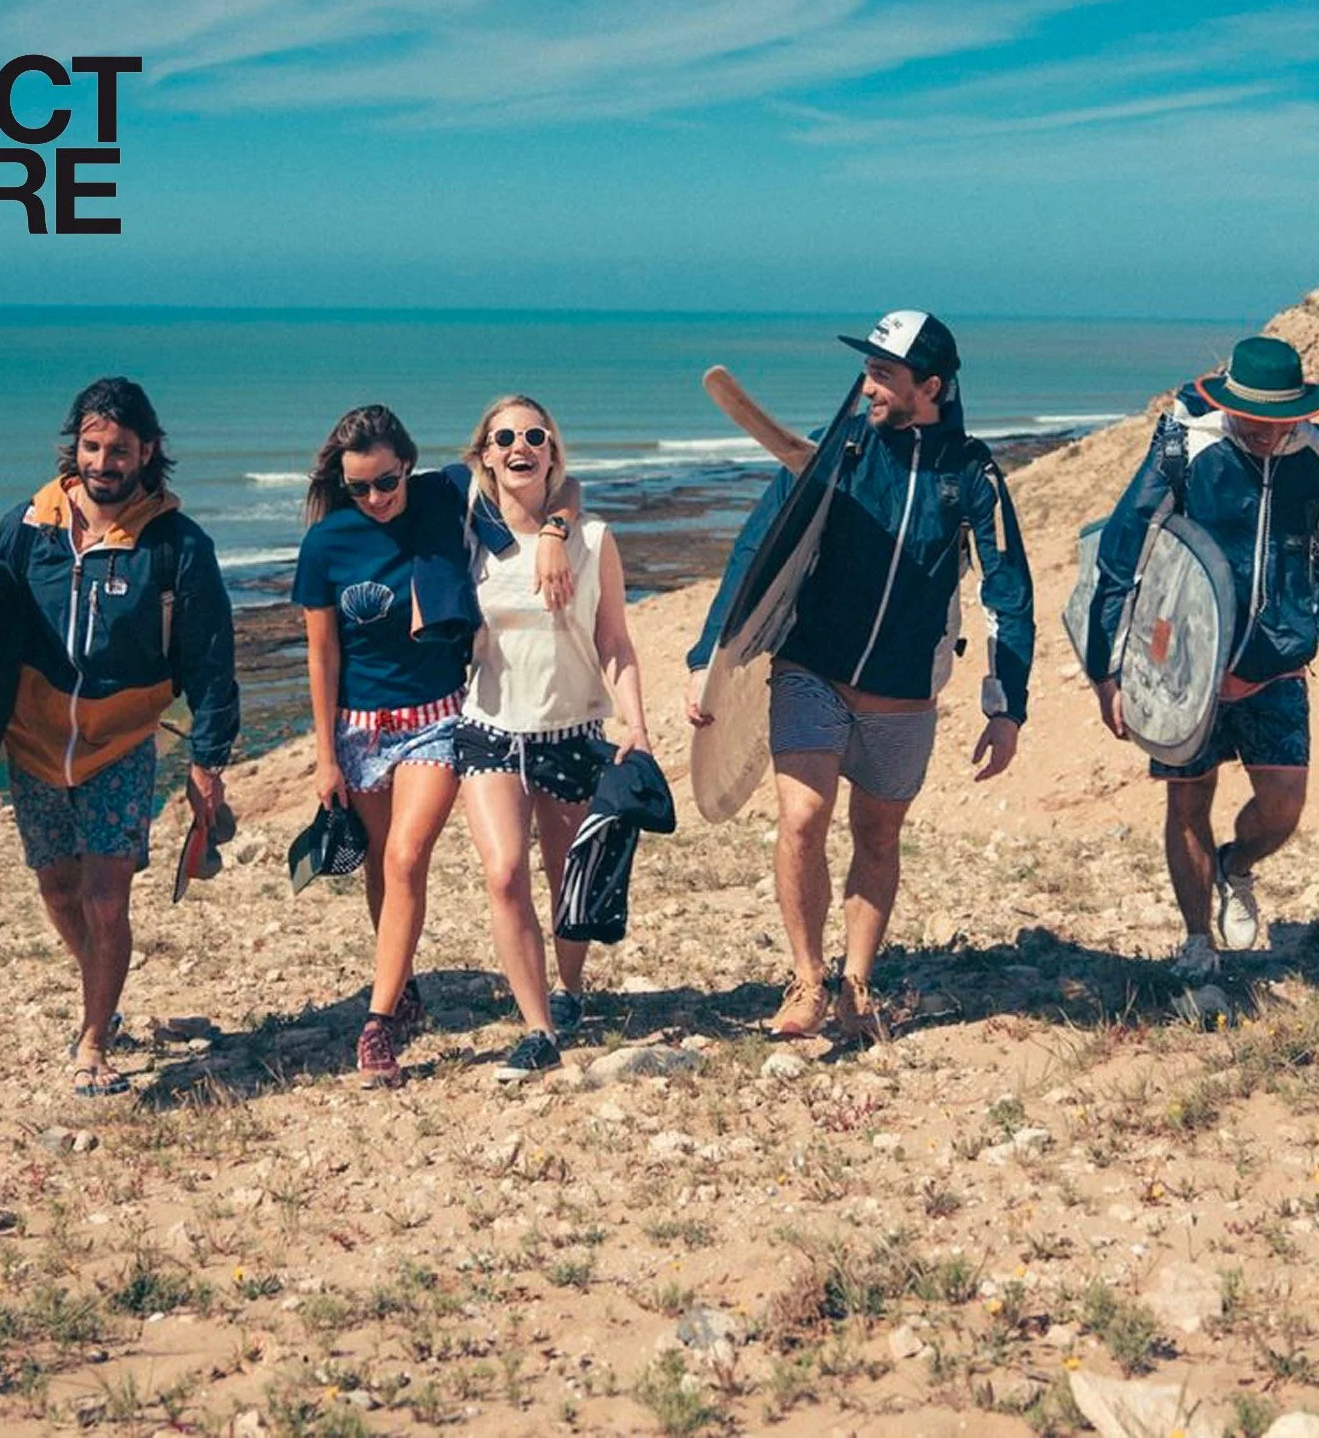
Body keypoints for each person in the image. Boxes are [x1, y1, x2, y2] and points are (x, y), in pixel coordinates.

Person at [685, 311, 1035, 1041]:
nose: (868, 384)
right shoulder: (841, 450)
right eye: (867, 370)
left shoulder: (972, 474)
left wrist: (1006, 706)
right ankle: (807, 978)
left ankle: (857, 983)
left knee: (877, 837)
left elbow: (1009, 589)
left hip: (905, 693)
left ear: (930, 386)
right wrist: (709, 659)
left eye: (885, 373)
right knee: (803, 820)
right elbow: (760, 546)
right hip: (813, 667)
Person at [1081, 335, 1319, 978]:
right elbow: (1122, 549)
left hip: (1276, 664)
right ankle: (1196, 942)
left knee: (1284, 805)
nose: (1266, 433)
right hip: (1183, 664)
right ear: (1231, 403)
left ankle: (1236, 868)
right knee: (1187, 803)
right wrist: (1107, 668)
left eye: (1279, 420)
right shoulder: (1186, 448)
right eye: (1254, 419)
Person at [0, 377, 239, 1097]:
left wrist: (208, 759)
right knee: (59, 891)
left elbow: (211, 660)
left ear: (147, 451)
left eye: (119, 449)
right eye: (93, 446)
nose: (104, 462)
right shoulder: (28, 528)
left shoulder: (177, 546)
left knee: (105, 896)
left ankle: (93, 1041)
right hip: (32, 741)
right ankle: (103, 987)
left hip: (122, 743)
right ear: (77, 447)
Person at [454, 395, 651, 1083]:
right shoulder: (467, 541)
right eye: (504, 436)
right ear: (483, 454)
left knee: (569, 879)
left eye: (535, 435)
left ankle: (568, 992)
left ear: (552, 452)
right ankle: (537, 1027)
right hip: (488, 731)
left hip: (571, 730)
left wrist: (639, 727)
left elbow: (616, 641)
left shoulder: (593, 540)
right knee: (505, 872)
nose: (521, 445)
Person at [291, 405, 474, 1086]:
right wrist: (325, 754)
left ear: (409, 464)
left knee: (405, 856)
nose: (374, 499)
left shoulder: (441, 497)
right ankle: (403, 991)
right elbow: (321, 655)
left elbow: (527, 471)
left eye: (386, 483)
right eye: (359, 488)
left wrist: (554, 528)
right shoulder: (326, 544)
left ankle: (376, 1024)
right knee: (379, 868)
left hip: (436, 717)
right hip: (360, 728)